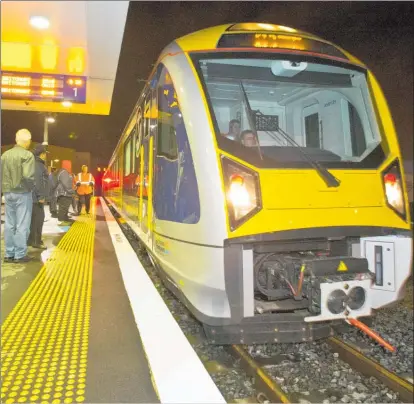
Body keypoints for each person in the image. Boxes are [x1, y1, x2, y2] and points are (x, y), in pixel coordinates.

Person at [1, 129, 35, 262]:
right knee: (22, 224)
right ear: (28, 141)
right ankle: (20, 254)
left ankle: (9, 253)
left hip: (7, 192)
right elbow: (28, 176)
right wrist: (31, 188)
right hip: (22, 193)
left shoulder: (5, 155)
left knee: (10, 223)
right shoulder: (27, 155)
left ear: (16, 140)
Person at [28, 145, 50, 249]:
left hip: (32, 197)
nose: (46, 155)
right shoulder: (38, 165)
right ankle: (36, 241)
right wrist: (41, 196)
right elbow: (38, 181)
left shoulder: (35, 164)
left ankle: (31, 240)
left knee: (33, 219)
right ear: (42, 154)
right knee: (38, 219)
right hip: (36, 198)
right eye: (45, 153)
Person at [55, 161, 75, 225]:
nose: (70, 166)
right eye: (69, 165)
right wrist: (71, 191)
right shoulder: (64, 173)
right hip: (64, 193)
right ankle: (61, 220)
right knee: (63, 207)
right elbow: (66, 184)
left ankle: (65, 218)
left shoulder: (66, 172)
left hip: (66, 193)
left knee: (65, 207)